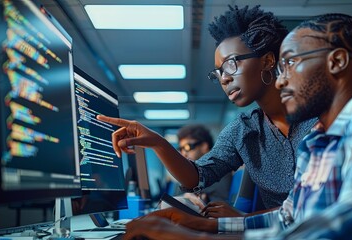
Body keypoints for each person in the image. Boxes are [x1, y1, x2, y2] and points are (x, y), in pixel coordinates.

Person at [121, 13, 352, 240]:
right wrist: (201, 224)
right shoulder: (319, 140)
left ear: (337, 61)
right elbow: (289, 218)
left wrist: (198, 237)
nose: (281, 78)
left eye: (289, 63)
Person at [97, 4, 316, 220]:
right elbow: (197, 178)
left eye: (231, 64)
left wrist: (242, 220)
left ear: (268, 61)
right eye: (218, 73)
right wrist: (159, 143)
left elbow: (321, 204)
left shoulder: (320, 116)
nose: (224, 78)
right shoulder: (243, 129)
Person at [169, 124, 232, 205]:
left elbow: (220, 206)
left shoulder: (218, 170)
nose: (183, 153)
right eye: (181, 149)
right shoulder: (192, 172)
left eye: (187, 147)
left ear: (204, 146)